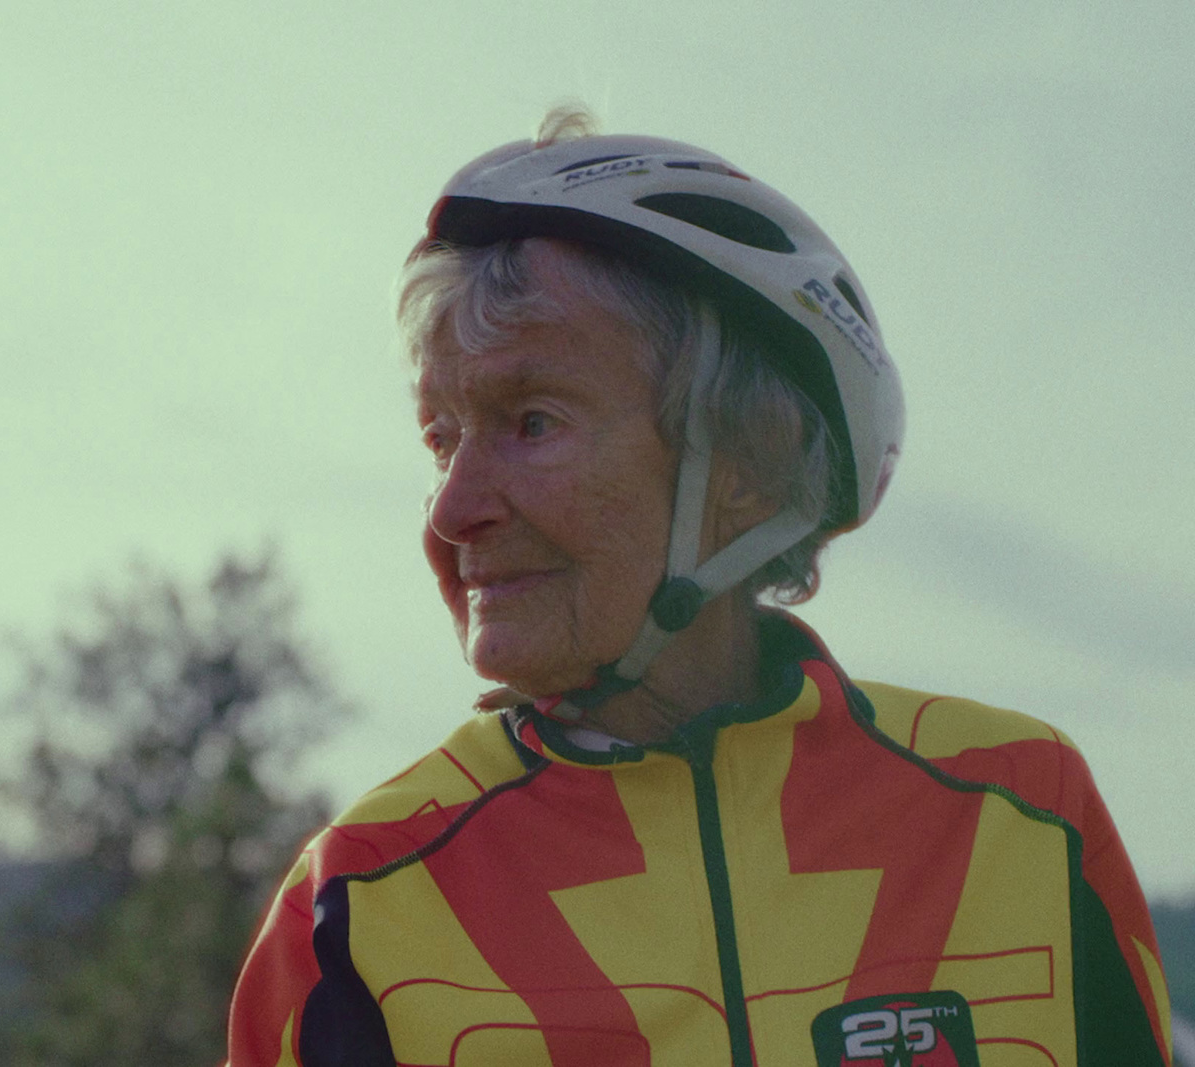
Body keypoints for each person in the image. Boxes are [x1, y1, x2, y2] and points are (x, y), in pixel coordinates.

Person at [224, 109, 1173, 1066]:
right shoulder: (358, 905)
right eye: (440, 439)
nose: (453, 508)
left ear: (747, 464)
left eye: (533, 421)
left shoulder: (1022, 812)